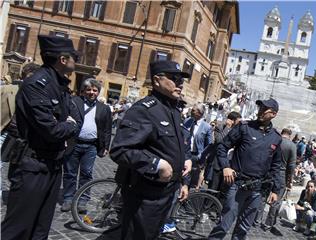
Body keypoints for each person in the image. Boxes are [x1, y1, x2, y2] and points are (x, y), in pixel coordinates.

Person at [1, 35, 81, 240]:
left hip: (52, 165)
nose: (76, 60)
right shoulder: (37, 84)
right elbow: (52, 130)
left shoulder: (59, 85)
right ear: (63, 60)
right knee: (18, 228)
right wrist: (70, 126)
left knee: (40, 228)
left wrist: (68, 125)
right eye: (74, 57)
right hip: (32, 166)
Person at [109, 60, 192, 239]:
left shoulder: (173, 110)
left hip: (167, 192)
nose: (180, 83)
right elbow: (120, 149)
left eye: (181, 79)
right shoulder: (144, 110)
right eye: (174, 78)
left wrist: (185, 161)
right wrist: (155, 164)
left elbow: (176, 145)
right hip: (145, 194)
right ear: (156, 80)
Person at [208, 98, 282, 240]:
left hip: (257, 190)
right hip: (237, 184)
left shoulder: (276, 138)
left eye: (264, 109)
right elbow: (222, 147)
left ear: (273, 114)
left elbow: (276, 166)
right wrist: (226, 167)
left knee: (243, 229)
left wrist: (275, 190)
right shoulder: (244, 127)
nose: (260, 111)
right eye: (259, 108)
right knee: (224, 224)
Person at [61, 78, 112, 212]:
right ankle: (68, 198)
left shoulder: (104, 108)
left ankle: (82, 201)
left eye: (95, 90)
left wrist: (106, 146)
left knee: (86, 173)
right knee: (70, 173)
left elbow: (107, 129)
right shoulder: (74, 102)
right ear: (83, 91)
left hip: (91, 146)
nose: (91, 92)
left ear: (98, 92)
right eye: (88, 90)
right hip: (74, 143)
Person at [260, 128, 297, 231]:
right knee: (276, 200)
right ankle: (268, 223)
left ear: (282, 133)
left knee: (263, 196)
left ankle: (256, 219)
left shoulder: (275, 140)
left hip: (269, 171)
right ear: (290, 135)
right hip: (281, 174)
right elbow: (291, 165)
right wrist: (290, 180)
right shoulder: (292, 145)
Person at [184, 103, 213, 188]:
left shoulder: (207, 127)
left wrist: (202, 156)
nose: (191, 112)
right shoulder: (187, 121)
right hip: (185, 153)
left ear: (200, 113)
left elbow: (209, 144)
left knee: (192, 180)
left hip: (196, 156)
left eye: (193, 111)